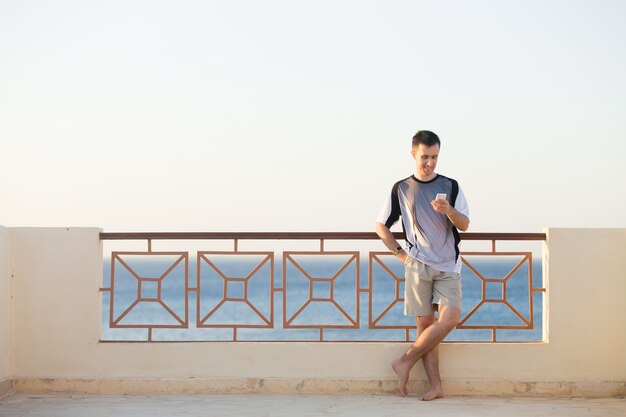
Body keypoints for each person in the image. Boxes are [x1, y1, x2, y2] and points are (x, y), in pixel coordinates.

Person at [375, 130, 470, 401]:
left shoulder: (451, 185)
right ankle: (435, 386)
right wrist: (400, 253)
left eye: (435, 157)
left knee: (449, 320)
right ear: (413, 153)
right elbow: (380, 225)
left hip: (449, 266)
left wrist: (449, 211)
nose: (430, 162)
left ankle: (404, 361)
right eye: (425, 157)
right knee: (426, 327)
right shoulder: (402, 188)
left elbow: (464, 224)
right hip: (418, 265)